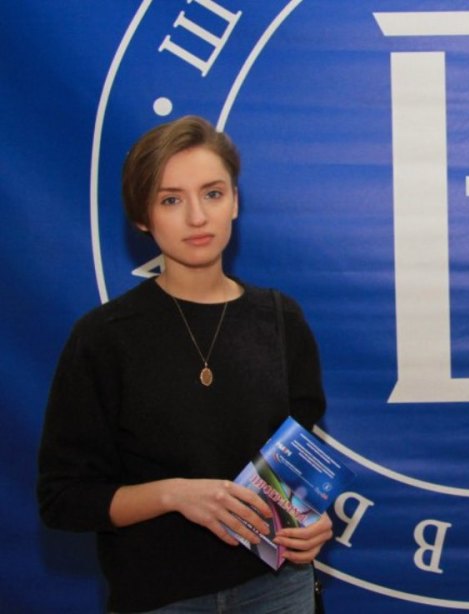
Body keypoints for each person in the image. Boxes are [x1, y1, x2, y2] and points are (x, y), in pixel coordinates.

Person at [37, 115, 334, 612]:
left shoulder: (281, 319)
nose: (197, 217)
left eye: (212, 194)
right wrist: (174, 495)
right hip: (161, 595)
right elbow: (63, 499)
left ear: (234, 201)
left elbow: (300, 466)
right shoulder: (104, 338)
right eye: (171, 200)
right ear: (142, 217)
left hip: (280, 588)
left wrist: (314, 521)